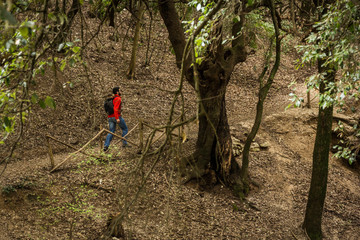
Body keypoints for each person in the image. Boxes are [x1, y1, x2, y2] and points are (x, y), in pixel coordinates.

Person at [104, 87, 130, 152]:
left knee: (111, 131)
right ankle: (124, 143)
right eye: (119, 90)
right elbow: (115, 109)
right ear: (117, 92)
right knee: (125, 129)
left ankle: (106, 146)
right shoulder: (118, 99)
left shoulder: (112, 99)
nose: (120, 91)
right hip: (116, 116)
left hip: (110, 117)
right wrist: (117, 118)